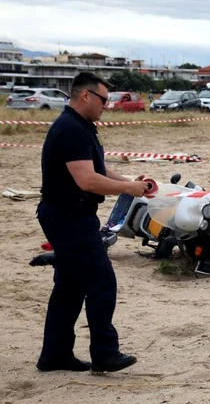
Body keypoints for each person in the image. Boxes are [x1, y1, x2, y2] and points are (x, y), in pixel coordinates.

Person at [36, 71, 149, 373]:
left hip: (70, 214)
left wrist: (130, 182)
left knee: (70, 288)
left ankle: (55, 355)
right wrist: (128, 189)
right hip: (67, 217)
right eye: (103, 99)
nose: (106, 105)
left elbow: (98, 168)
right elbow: (87, 181)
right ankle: (105, 354)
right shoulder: (71, 129)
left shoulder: (82, 127)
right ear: (85, 95)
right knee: (101, 282)